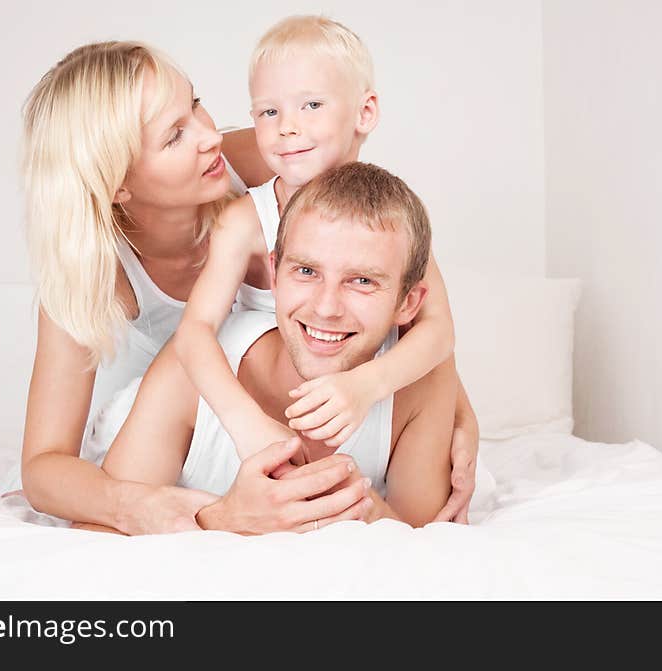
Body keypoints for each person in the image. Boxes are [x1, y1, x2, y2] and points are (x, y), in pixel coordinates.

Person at [9, 38, 478, 534]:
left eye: (194, 104)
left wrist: (452, 416)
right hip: (181, 429)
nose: (210, 136)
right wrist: (137, 503)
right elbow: (43, 467)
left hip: (298, 415)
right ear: (117, 182)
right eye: (174, 137)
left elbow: (402, 282)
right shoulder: (89, 273)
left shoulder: (270, 160)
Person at [172, 15, 464, 480]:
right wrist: (245, 423)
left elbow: (438, 331)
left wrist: (365, 386)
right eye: (269, 112)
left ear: (364, 113)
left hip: (354, 390)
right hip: (261, 397)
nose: (287, 127)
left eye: (310, 105)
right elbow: (194, 333)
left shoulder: (387, 219)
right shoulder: (245, 221)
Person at [98, 162, 457, 533]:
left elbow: (426, 547)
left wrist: (362, 511)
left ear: (408, 303)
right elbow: (97, 536)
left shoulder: (421, 387)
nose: (325, 308)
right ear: (274, 273)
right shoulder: (189, 369)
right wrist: (225, 519)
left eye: (362, 280)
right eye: (306, 271)